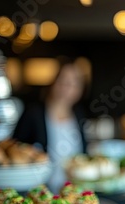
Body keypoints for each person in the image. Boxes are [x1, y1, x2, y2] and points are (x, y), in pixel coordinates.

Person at [12, 60, 87, 192]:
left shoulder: (79, 115)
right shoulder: (34, 113)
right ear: (53, 82)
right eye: (63, 81)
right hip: (38, 190)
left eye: (73, 83)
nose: (67, 87)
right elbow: (15, 146)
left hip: (74, 191)